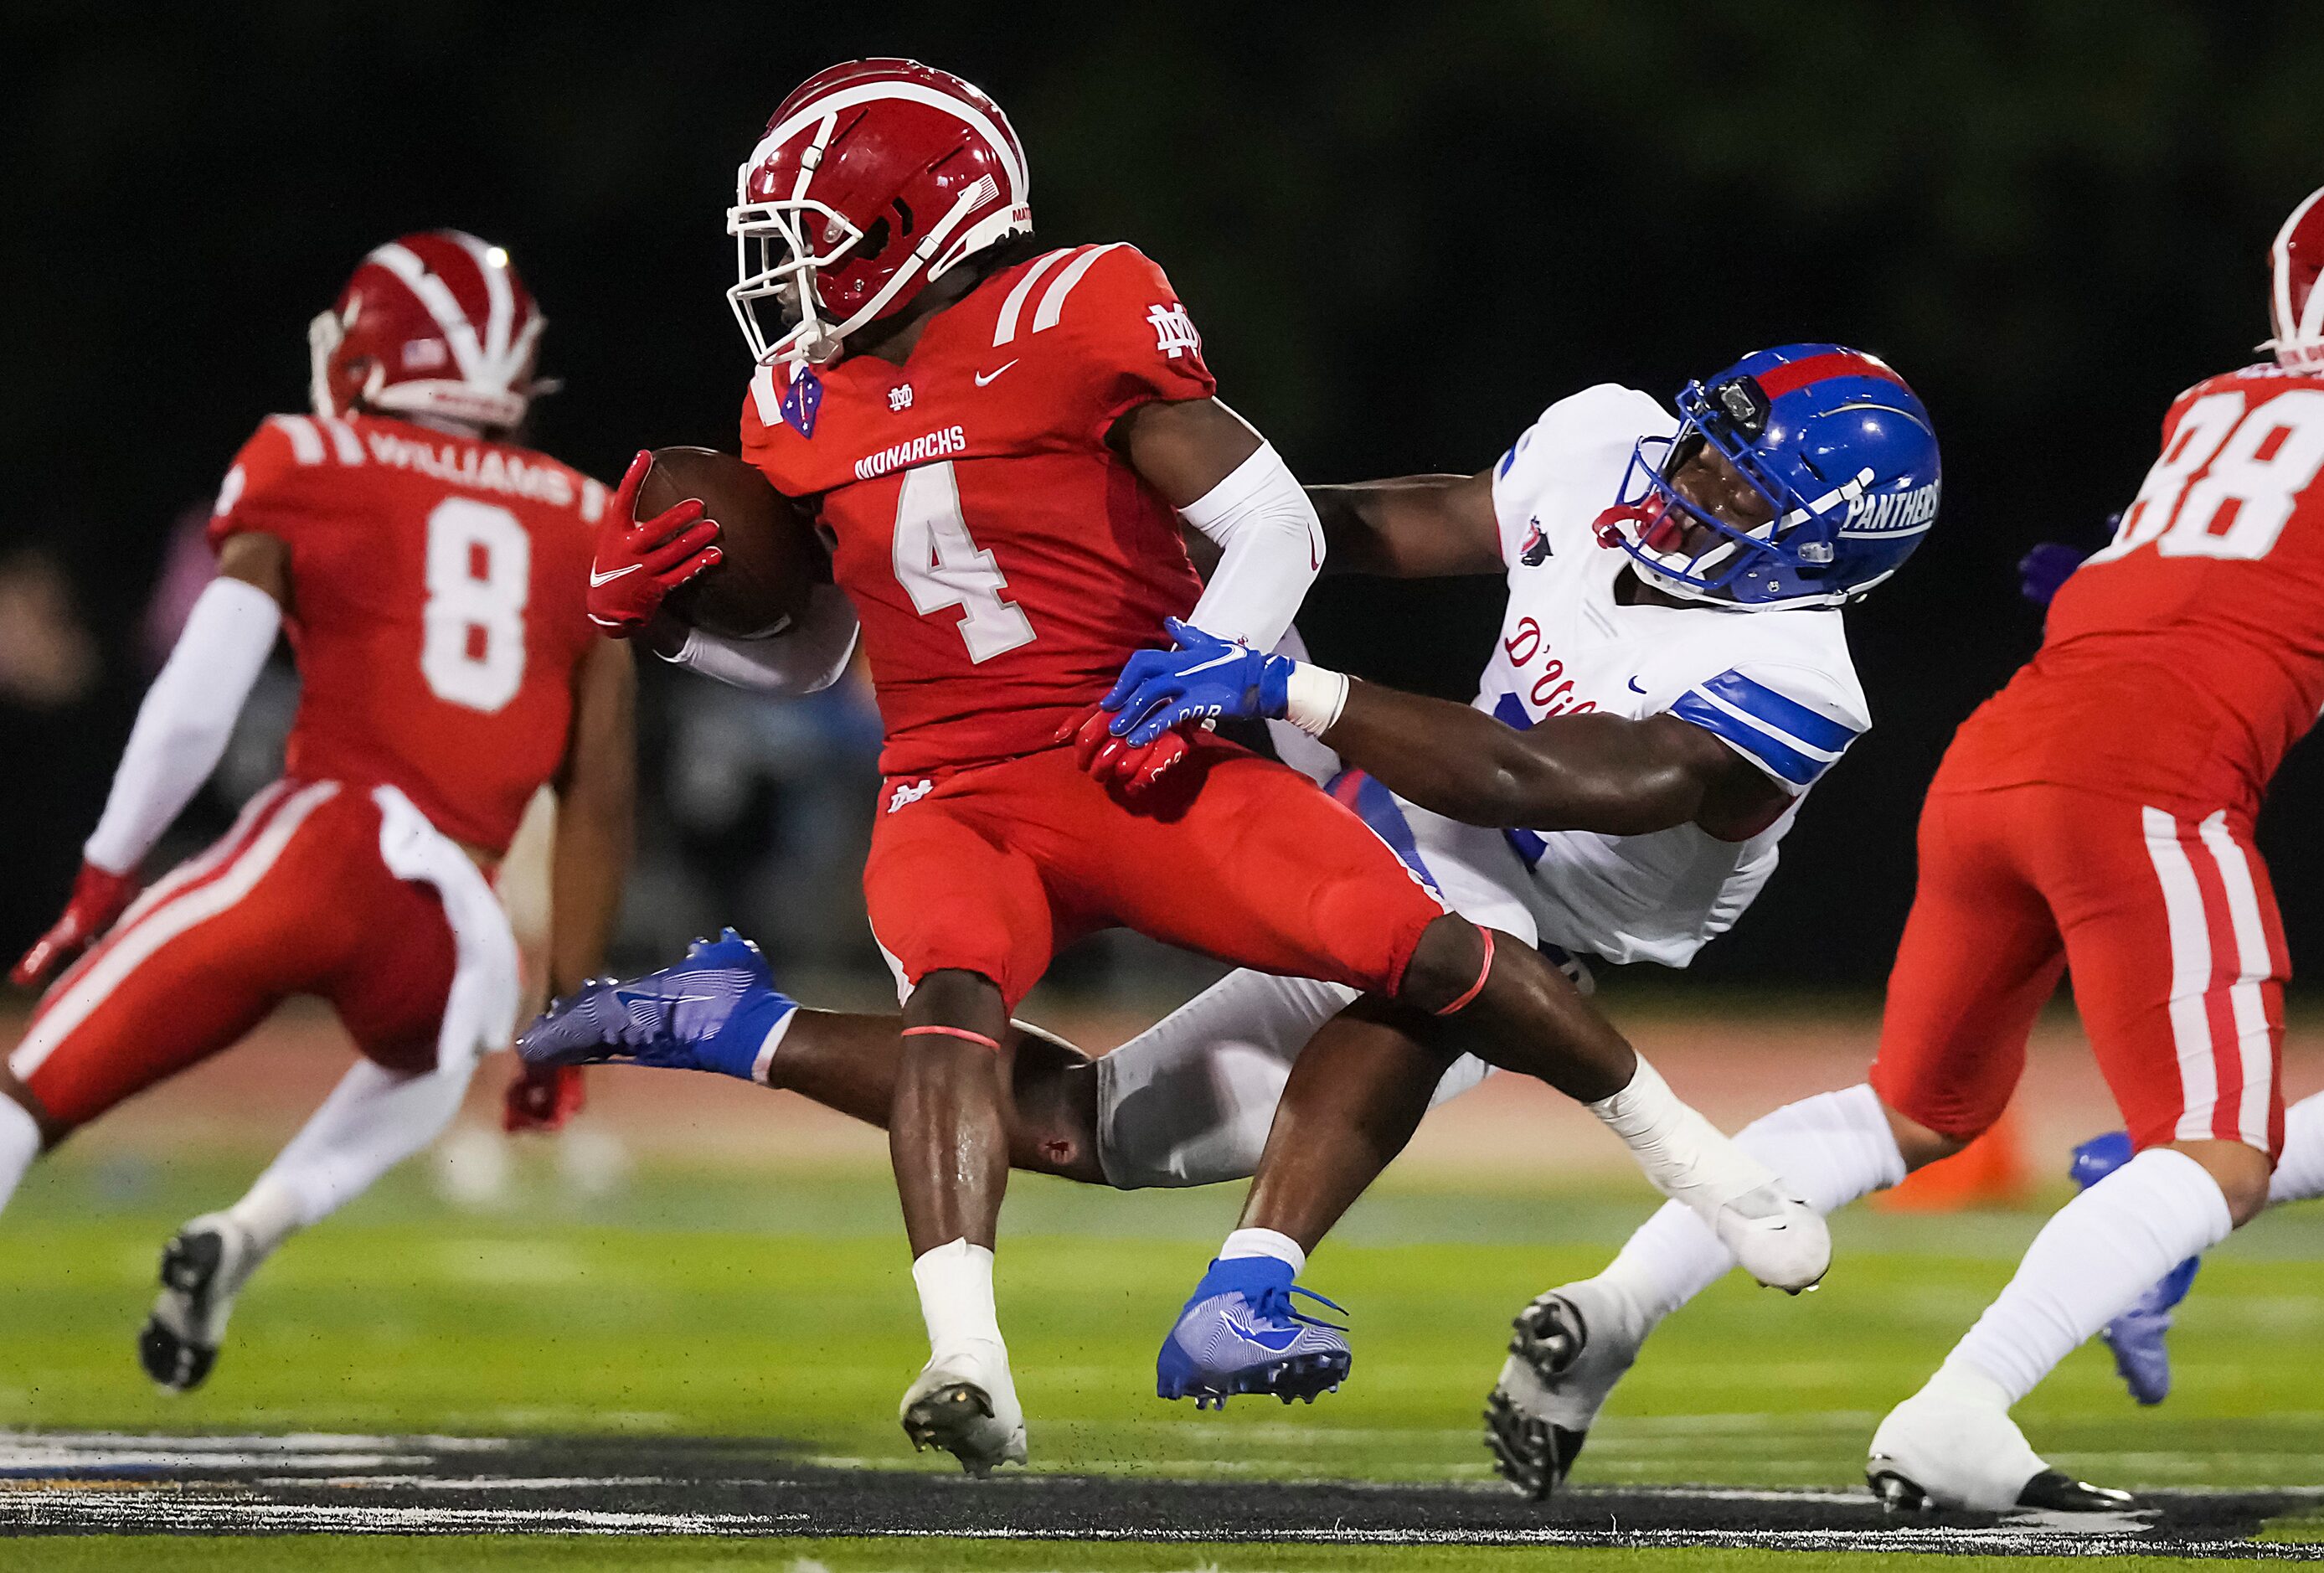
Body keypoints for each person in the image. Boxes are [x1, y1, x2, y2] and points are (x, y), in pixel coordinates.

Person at [564, 57, 1822, 1475]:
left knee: (1372, 984)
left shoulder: (1074, 305)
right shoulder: (794, 403)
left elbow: (1284, 530)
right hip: (961, 780)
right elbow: (810, 656)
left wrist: (1238, 667)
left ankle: (1693, 1182)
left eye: (819, 235)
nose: (789, 276)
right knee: (965, 1012)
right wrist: (652, 629)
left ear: (923, 219)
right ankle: (971, 1353)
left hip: (1133, 743)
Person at [1456, 181, 2324, 1515]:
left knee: (1913, 1111)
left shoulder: (2212, 408)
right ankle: (1959, 1409)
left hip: (2003, 750)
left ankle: (1614, 1309)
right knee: (2218, 1151)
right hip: (2150, 782)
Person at [4, 231, 636, 1392]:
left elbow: (201, 696)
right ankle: (246, 1229)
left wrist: (106, 869)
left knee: (29, 1092)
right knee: (429, 1071)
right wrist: (567, 1014)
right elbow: (598, 797)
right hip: (458, 928)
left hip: (331, 840)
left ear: (365, 356)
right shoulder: (592, 518)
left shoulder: (311, 455)